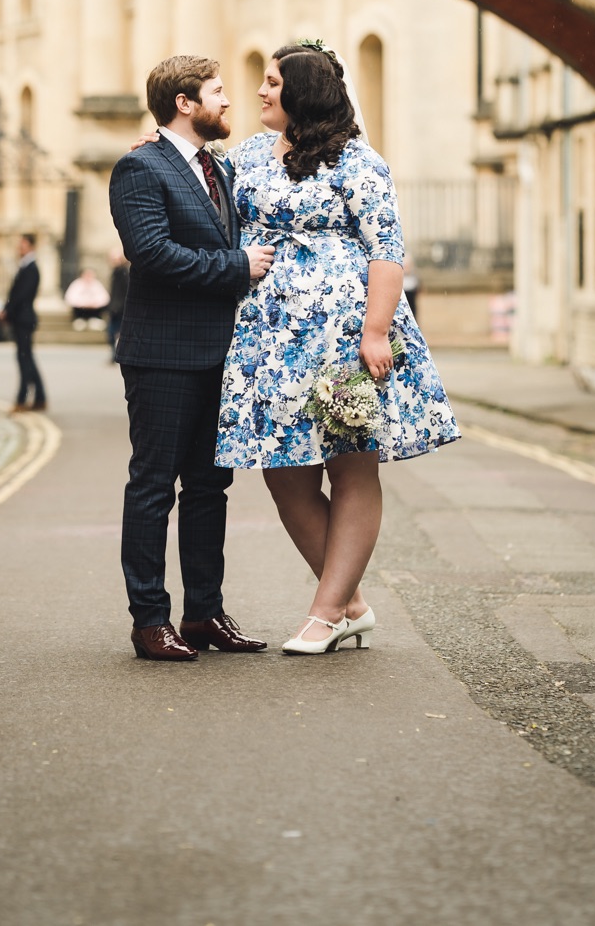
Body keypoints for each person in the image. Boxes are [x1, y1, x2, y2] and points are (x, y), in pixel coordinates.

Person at [217, 44, 460, 654]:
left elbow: (386, 251)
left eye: (272, 83)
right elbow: (198, 185)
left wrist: (375, 332)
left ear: (303, 91)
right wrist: (153, 143)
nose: (261, 92)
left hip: (346, 335)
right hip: (268, 335)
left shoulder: (359, 162)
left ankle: (326, 612)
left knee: (351, 463)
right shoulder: (245, 154)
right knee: (282, 470)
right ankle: (349, 600)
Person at [109, 55, 274, 663]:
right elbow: (150, 253)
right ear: (184, 102)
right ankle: (149, 621)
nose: (228, 101)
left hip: (219, 354)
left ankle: (204, 613)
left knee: (210, 488)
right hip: (161, 356)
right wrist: (237, 266)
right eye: (217, 91)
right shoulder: (138, 167)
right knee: (154, 487)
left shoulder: (219, 169)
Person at [0, 234, 46, 414]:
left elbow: (21, 296)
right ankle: (40, 397)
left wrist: (7, 311)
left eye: (23, 245)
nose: (20, 249)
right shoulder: (25, 267)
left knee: (24, 359)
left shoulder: (31, 268)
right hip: (21, 318)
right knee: (27, 358)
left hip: (24, 319)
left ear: (31, 247)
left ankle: (22, 398)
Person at [106, 250, 130, 363]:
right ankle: (115, 355)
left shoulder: (123, 273)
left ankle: (117, 355)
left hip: (119, 308)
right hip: (115, 308)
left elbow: (124, 291)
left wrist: (118, 306)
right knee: (112, 333)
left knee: (115, 333)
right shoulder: (116, 272)